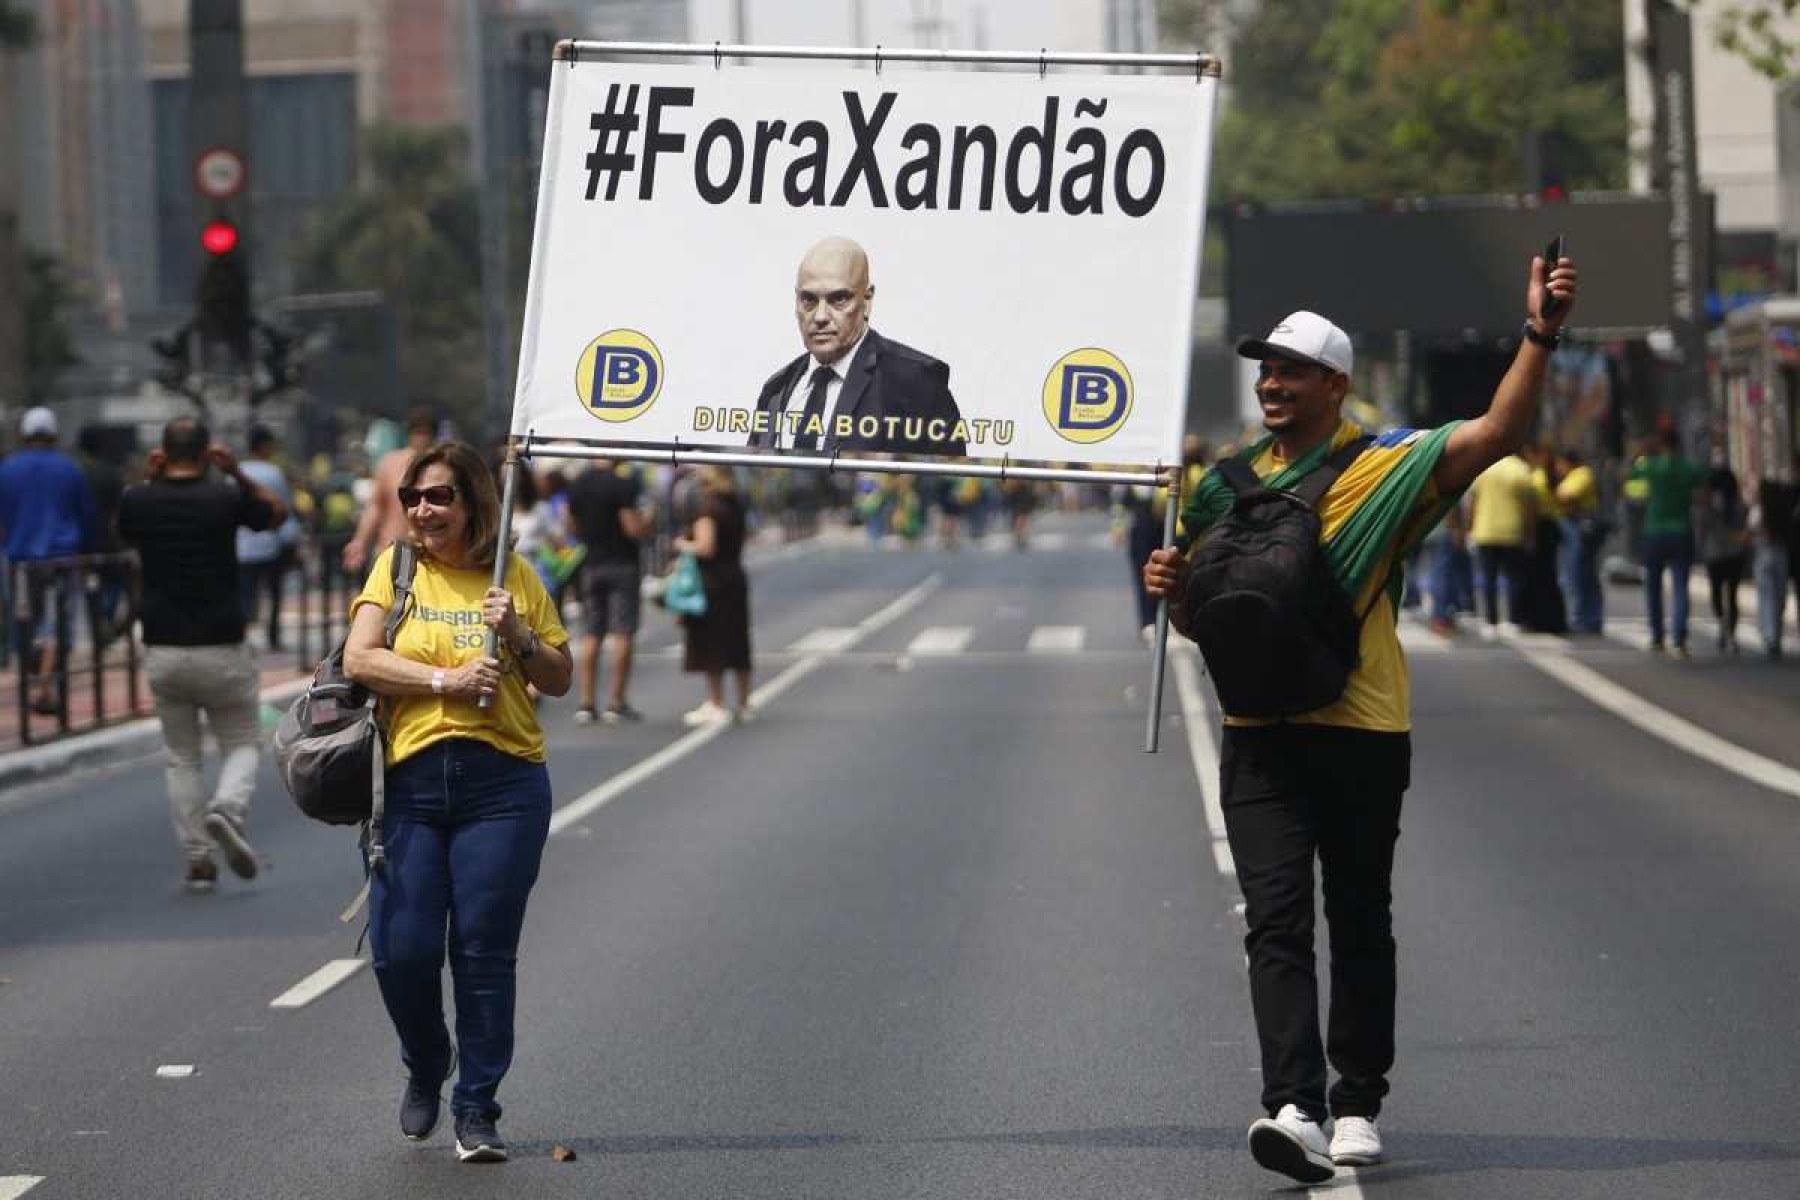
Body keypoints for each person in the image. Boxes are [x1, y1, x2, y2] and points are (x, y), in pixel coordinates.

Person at [1144, 252, 1578, 1185]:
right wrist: (1174, 592)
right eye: (1265, 369)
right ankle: (1293, 1106)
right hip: (1258, 732)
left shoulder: (1390, 469)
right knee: (1275, 921)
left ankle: (1357, 1101)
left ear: (1335, 384)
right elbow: (1200, 623)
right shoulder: (1219, 488)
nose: (1271, 383)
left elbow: (1502, 428)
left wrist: (1540, 332)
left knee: (1360, 915)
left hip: (1363, 729)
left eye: (1291, 370)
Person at [342, 440, 572, 1163]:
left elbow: (560, 676)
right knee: (400, 952)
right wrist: (442, 682)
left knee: (482, 955)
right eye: (413, 497)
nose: (421, 509)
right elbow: (360, 658)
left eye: (439, 496)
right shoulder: (398, 568)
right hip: (409, 781)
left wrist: (518, 634)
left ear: (475, 503)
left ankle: (477, 1109)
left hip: (503, 784)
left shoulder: (516, 577)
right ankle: (425, 1058)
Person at [116, 418, 286, 890]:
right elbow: (276, 514)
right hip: (222, 642)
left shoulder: (141, 498)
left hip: (163, 646)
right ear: (207, 453)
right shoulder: (224, 497)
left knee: (181, 757)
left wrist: (148, 478)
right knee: (242, 742)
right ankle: (228, 808)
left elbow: (121, 525)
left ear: (162, 453)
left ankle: (198, 858)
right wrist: (237, 473)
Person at [747, 237, 966, 457]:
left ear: (867, 301)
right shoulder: (776, 388)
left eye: (839, 299)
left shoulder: (917, 382)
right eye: (809, 300)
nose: (820, 316)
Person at [0, 407, 96, 715]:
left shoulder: (8, 469)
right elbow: (85, 515)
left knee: (24, 619)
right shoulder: (69, 468)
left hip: (21, 559)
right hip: (62, 557)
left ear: (24, 434)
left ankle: (33, 675)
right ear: (53, 434)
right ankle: (51, 682)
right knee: (58, 621)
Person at [565, 458, 651, 723]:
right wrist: (647, 521)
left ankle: (587, 702)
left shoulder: (579, 484)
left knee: (592, 632)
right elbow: (631, 527)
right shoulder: (623, 485)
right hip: (622, 563)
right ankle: (616, 701)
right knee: (623, 632)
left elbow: (570, 524)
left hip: (591, 563)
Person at [673, 465, 752, 725]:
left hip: (712, 582)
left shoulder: (709, 509)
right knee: (738, 641)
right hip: (735, 576)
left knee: (712, 643)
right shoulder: (736, 503)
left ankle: (716, 703)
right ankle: (744, 702)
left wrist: (683, 544)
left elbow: (706, 547)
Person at [1629, 428, 1707, 655]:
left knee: (1653, 587)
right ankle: (1679, 637)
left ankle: (1657, 635)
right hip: (1681, 531)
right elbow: (1703, 483)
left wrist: (1641, 452)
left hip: (1654, 531)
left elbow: (1632, 484)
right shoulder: (1688, 468)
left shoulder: (1649, 467)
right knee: (1680, 586)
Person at [343, 407, 438, 577]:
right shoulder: (391, 464)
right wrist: (360, 542)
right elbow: (376, 507)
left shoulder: (443, 467)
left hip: (431, 556)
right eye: (417, 432)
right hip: (393, 551)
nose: (421, 438)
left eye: (425, 433)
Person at [236, 426, 300, 650]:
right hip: (270, 545)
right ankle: (273, 637)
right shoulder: (273, 472)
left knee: (245, 596)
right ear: (264, 446)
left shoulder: (238, 471)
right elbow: (285, 508)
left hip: (242, 546)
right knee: (274, 595)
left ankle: (241, 640)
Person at [1466, 449, 1535, 636]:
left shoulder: (1484, 469)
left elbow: (1472, 502)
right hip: (1512, 531)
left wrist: (1470, 528)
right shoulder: (1521, 469)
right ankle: (1512, 620)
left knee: (1488, 578)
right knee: (1514, 577)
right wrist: (1529, 534)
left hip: (1484, 530)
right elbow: (1528, 507)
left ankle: (1490, 621)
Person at [1554, 448, 1605, 634]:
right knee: (1577, 573)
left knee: (1581, 574)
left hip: (1579, 528)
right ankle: (1585, 617)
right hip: (1573, 527)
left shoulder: (1582, 474)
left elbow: (1566, 496)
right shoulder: (1574, 476)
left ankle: (1587, 618)